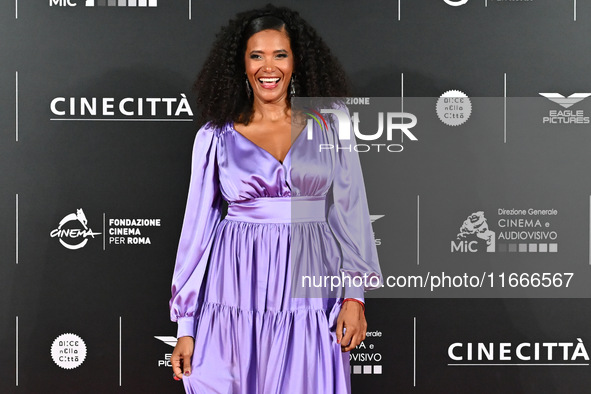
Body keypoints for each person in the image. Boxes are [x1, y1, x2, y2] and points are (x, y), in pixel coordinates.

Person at [169, 4, 383, 393]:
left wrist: (355, 295)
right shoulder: (215, 136)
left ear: (297, 61)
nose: (269, 67)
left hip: (312, 284)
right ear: (242, 64)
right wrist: (186, 327)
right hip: (234, 284)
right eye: (256, 56)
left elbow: (352, 210)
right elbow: (196, 233)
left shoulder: (331, 122)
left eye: (280, 55)